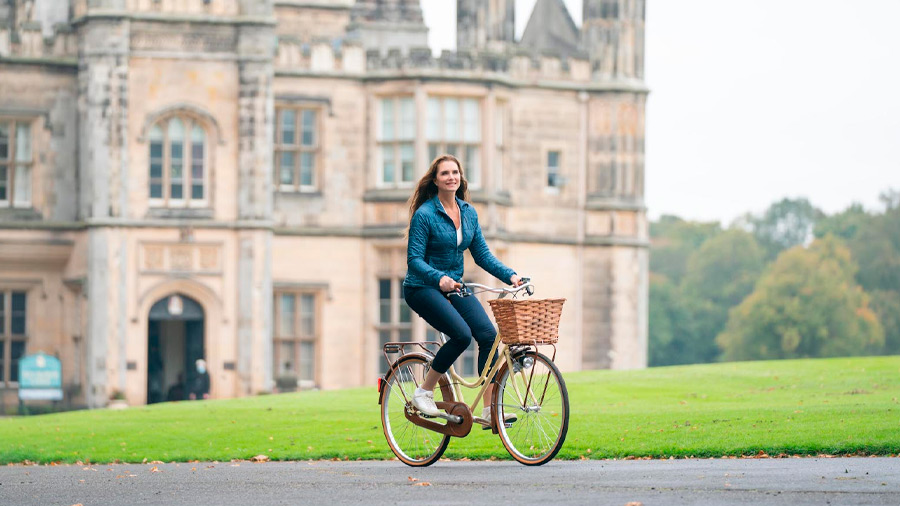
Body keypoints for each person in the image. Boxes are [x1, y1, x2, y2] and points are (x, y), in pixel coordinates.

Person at [403, 154, 523, 428]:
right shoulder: (425, 215)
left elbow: (482, 255)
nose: (451, 177)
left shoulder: (468, 212)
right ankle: (423, 392)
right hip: (422, 287)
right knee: (460, 335)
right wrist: (439, 278)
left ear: (461, 177)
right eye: (445, 173)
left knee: (489, 336)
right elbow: (414, 260)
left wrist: (511, 275)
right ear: (435, 180)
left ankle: (490, 410)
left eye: (455, 172)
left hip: (454, 286)